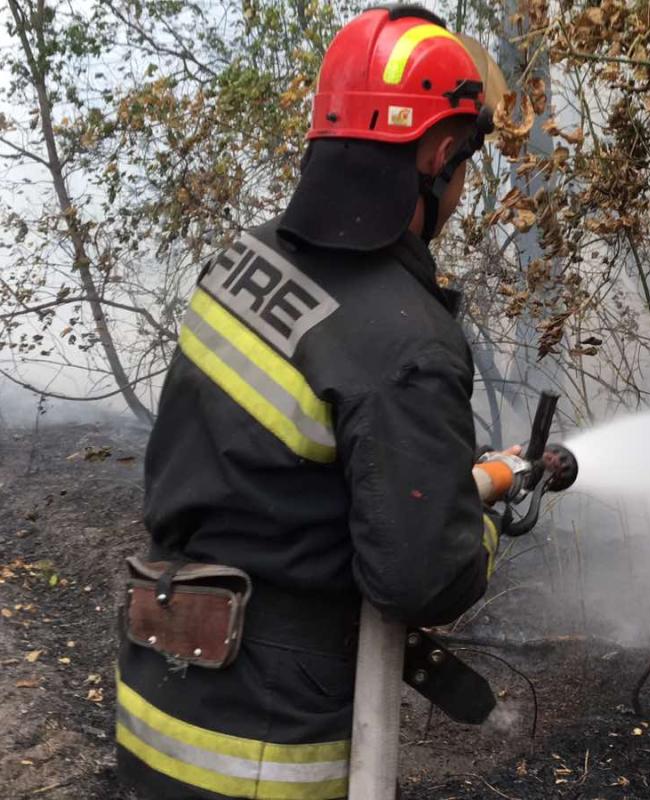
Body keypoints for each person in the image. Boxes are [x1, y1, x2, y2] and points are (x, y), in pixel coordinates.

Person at [115, 6, 509, 798]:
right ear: (438, 154)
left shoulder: (240, 265)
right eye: (465, 164)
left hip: (154, 697)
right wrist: (486, 522)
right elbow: (421, 579)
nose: (463, 187)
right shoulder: (408, 340)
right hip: (264, 753)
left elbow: (270, 471)